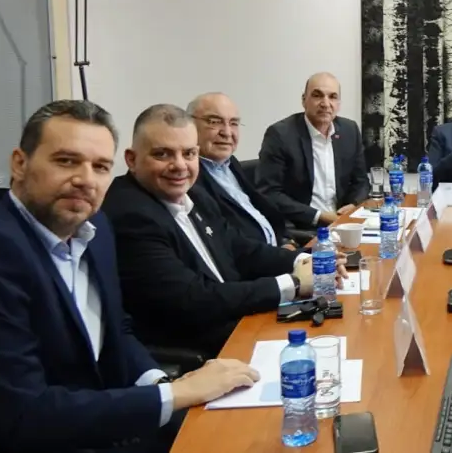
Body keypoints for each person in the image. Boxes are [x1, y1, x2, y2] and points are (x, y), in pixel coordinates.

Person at [0, 100, 260, 453]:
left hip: (105, 418)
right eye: (66, 161)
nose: (85, 180)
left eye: (100, 167)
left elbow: (116, 330)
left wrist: (161, 382)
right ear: (20, 163)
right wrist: (176, 394)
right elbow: (24, 415)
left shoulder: (94, 227)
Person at [102, 105, 340, 357]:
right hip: (205, 349)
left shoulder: (193, 193)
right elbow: (194, 300)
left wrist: (307, 261)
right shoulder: (131, 214)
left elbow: (239, 248)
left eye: (189, 153)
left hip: (240, 320)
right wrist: (294, 283)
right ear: (131, 159)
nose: (179, 165)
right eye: (162, 154)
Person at [257, 72, 369, 229]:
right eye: (317, 96)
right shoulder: (281, 134)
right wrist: (319, 216)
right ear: (304, 100)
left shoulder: (349, 130)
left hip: (343, 223)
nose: (325, 103)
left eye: (332, 97)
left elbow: (361, 181)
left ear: (338, 103)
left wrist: (353, 205)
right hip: (301, 227)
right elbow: (269, 193)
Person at [187, 92, 298, 249]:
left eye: (233, 123)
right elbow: (228, 243)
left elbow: (263, 211)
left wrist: (286, 242)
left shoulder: (230, 163)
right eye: (214, 122)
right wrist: (284, 256)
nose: (227, 132)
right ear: (190, 125)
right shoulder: (189, 178)